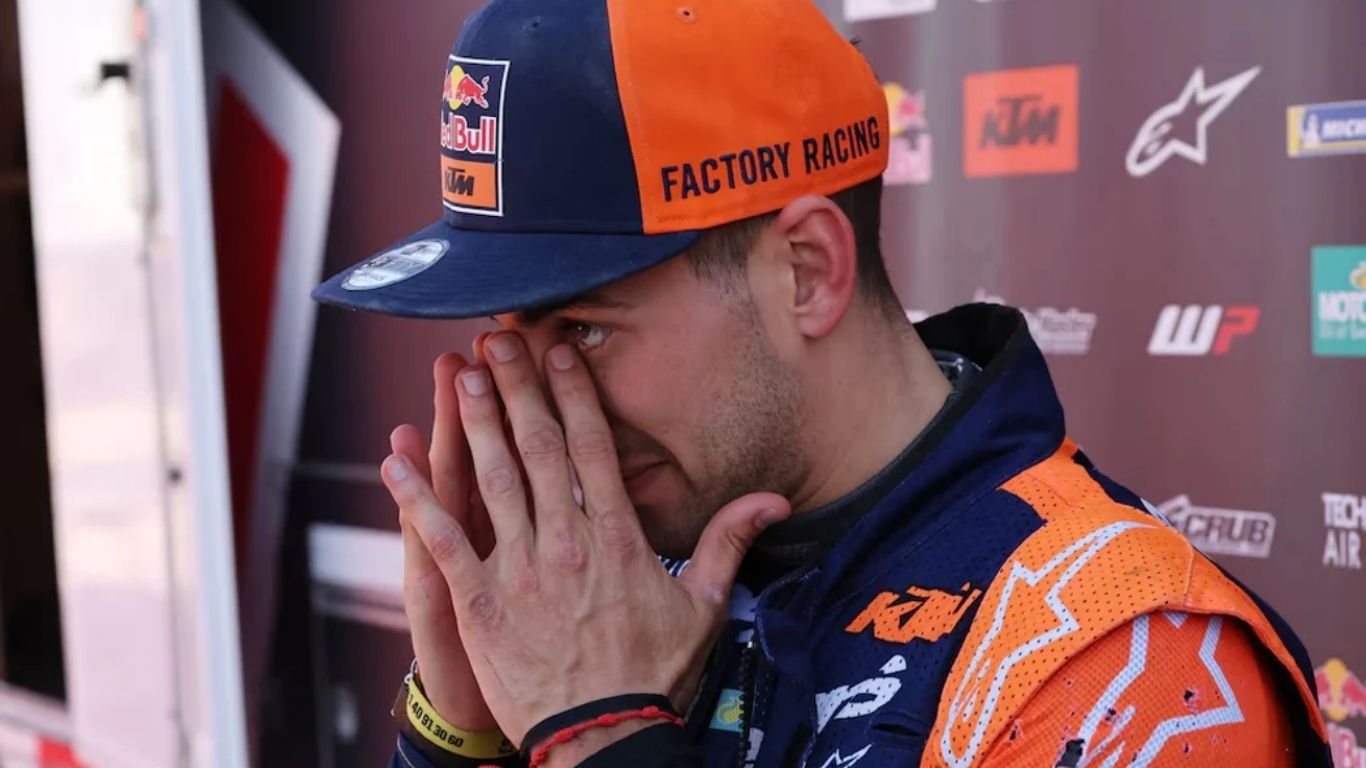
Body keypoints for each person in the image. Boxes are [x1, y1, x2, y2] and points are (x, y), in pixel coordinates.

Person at [312, 0, 1332, 765]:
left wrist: (605, 741)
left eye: (583, 327)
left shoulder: (1119, 658)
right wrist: (462, 730)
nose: (538, 400)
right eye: (508, 337)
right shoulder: (607, 595)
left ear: (807, 271)